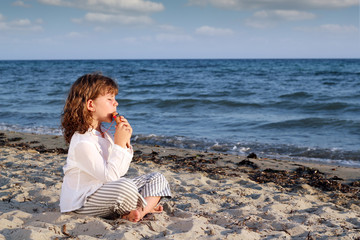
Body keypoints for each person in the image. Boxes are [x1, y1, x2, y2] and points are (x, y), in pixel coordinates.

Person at [59, 73, 171, 222]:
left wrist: (124, 143)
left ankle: (140, 211)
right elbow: (111, 177)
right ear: (91, 105)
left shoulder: (105, 135)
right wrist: (119, 144)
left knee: (157, 178)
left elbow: (119, 171)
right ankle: (147, 207)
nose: (116, 103)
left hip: (106, 190)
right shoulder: (82, 141)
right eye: (110, 99)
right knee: (126, 187)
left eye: (115, 99)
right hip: (82, 202)